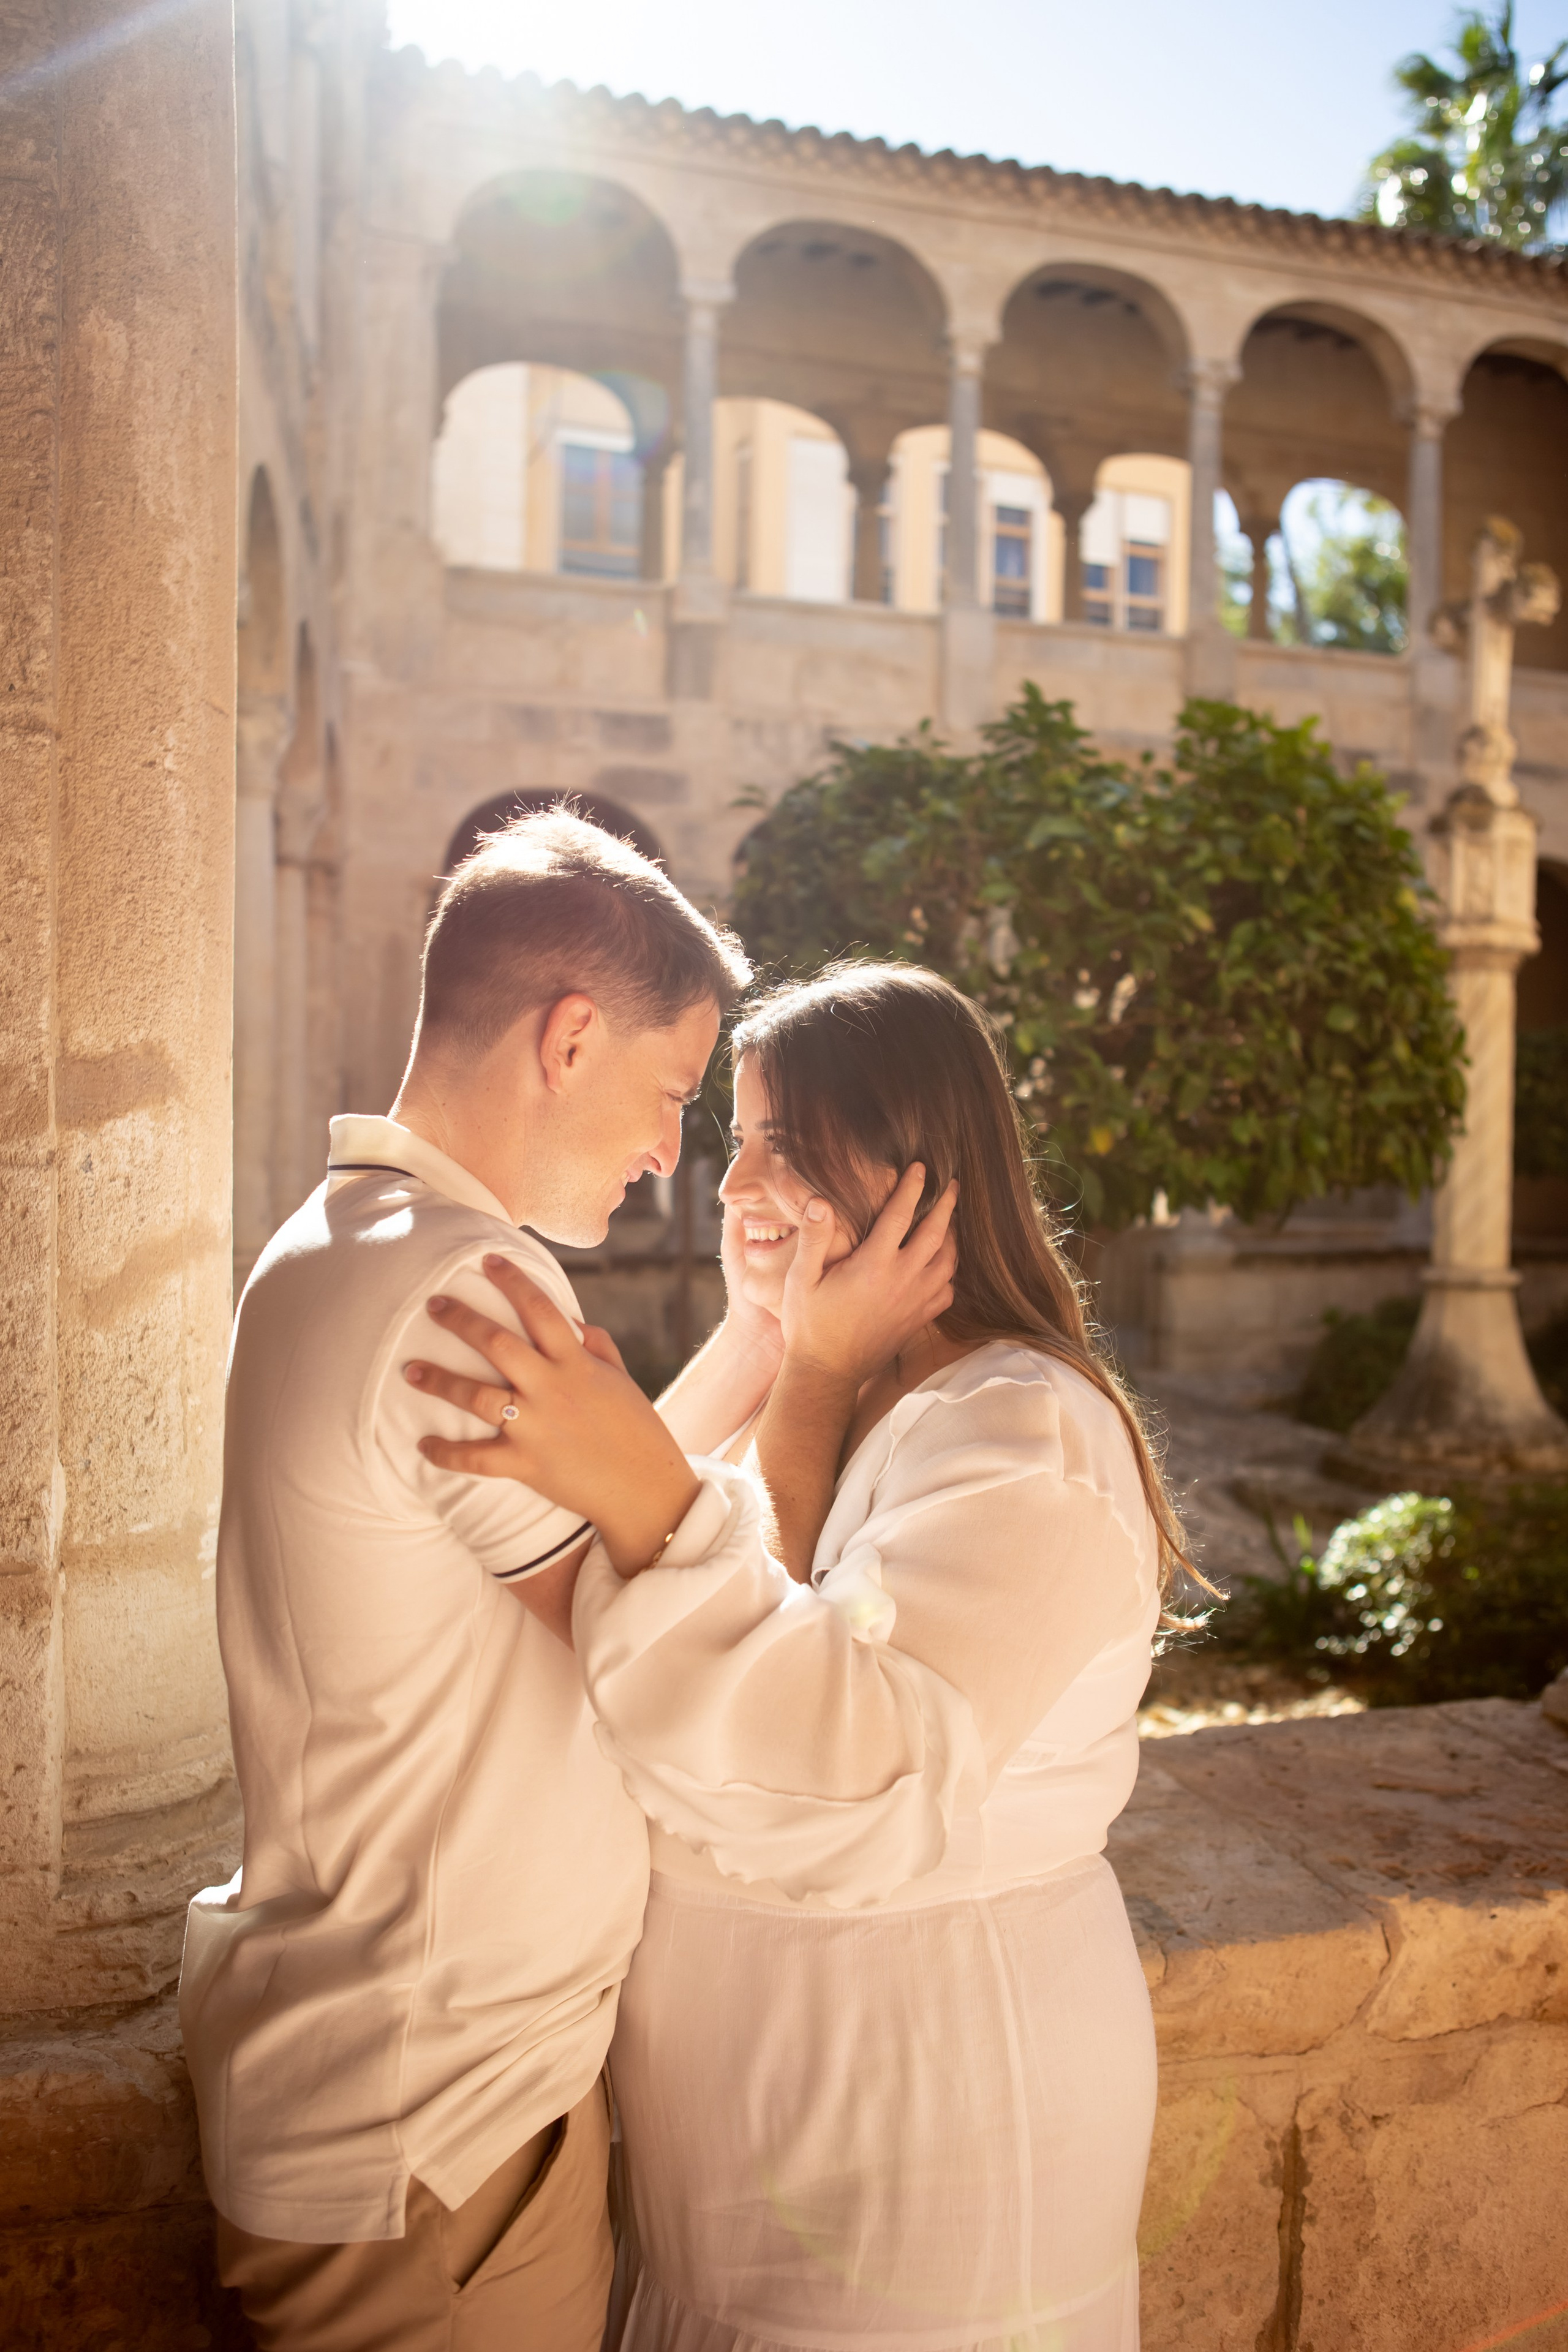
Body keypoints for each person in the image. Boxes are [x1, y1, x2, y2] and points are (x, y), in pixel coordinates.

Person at [404, 960, 1190, 2352]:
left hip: (926, 2127)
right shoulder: (831, 1386)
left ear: (918, 1172)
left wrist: (791, 1383)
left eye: (784, 1139)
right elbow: (713, 1579)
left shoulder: (1025, 1437)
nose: (732, 1182)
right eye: (737, 1138)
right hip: (730, 2166)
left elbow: (841, 1759)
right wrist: (779, 1342)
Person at [178, 812, 791, 2352]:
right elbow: (651, 1634)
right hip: (442, 2137)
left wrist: (754, 1344)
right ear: (570, 1039)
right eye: (672, 1094)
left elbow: (587, 1522)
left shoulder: (346, 1243)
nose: (668, 1152)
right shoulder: (467, 1285)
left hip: (393, 2105)